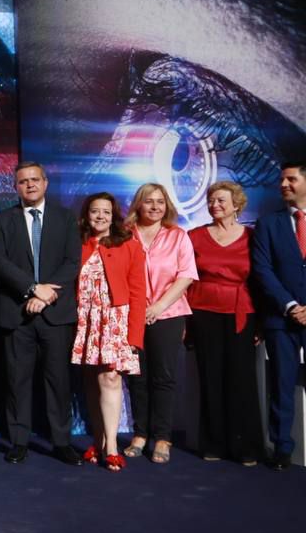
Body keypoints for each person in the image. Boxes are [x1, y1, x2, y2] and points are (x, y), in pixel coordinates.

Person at [0, 162, 84, 466]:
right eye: (22, 181)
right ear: (15, 187)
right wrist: (32, 288)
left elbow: (71, 262)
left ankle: (61, 441)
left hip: (55, 313)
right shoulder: (2, 220)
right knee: (17, 381)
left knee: (58, 381)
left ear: (45, 183)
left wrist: (45, 296)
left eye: (34, 180)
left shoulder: (66, 219)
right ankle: (18, 442)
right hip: (16, 314)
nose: (29, 185)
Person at [187, 182, 261, 466]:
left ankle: (245, 446)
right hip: (203, 310)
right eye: (211, 200)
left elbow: (259, 279)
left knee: (242, 379)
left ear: (236, 204)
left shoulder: (253, 236)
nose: (215, 204)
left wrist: (261, 324)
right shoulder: (194, 236)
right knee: (210, 376)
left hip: (242, 310)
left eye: (221, 200)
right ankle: (213, 443)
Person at [72, 193, 146, 472]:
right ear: (86, 214)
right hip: (85, 318)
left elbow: (139, 291)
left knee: (111, 378)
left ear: (113, 215)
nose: (100, 216)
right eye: (94, 211)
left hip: (116, 319)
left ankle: (112, 447)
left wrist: (135, 335)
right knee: (92, 380)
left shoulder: (129, 244)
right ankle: (99, 440)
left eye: (105, 212)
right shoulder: (77, 242)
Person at [124, 184, 197, 464]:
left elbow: (186, 276)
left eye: (160, 202)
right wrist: (139, 309)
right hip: (132, 315)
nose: (155, 207)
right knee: (137, 378)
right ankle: (140, 434)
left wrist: (157, 307)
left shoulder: (178, 236)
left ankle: (162, 438)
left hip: (168, 313)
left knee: (163, 377)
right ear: (138, 205)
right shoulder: (124, 235)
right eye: (148, 202)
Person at [250, 161, 306, 472]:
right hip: (280, 318)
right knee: (281, 384)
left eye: (291, 179)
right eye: (281, 180)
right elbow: (263, 270)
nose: (284, 185)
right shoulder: (268, 224)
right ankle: (282, 448)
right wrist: (291, 306)